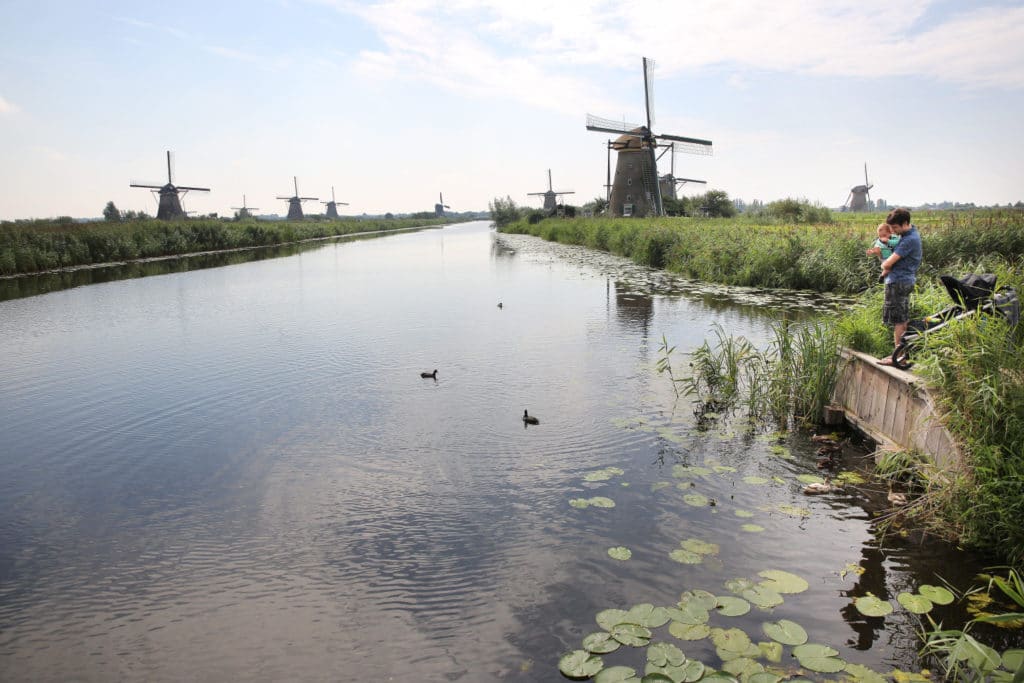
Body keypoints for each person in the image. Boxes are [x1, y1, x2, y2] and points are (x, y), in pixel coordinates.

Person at [877, 207, 922, 365]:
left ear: (905, 223)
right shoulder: (910, 234)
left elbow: (888, 263)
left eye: (895, 227)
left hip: (898, 282)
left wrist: (883, 263)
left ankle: (898, 358)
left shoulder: (909, 240)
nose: (893, 231)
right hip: (904, 280)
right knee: (902, 319)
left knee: (898, 321)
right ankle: (901, 355)